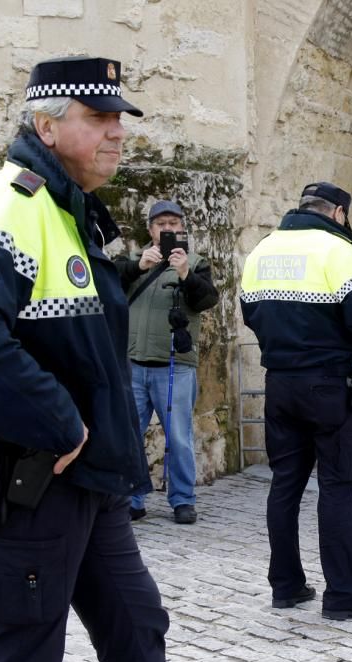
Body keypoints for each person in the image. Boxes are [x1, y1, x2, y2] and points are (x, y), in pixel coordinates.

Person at [0, 56, 282, 662]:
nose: (117, 132)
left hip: (89, 481)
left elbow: (68, 332)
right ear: (47, 126)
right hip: (38, 479)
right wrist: (59, 423)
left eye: (119, 118)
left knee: (135, 625)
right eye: (98, 119)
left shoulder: (69, 210)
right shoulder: (13, 206)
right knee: (22, 652)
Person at [239, 182, 352, 621]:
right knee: (338, 487)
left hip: (280, 383)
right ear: (339, 213)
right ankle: (343, 595)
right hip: (329, 384)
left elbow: (251, 313)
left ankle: (286, 586)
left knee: (285, 483)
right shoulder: (337, 249)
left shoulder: (262, 249)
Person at [120, 199, 218, 525]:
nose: (168, 230)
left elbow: (206, 299)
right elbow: (107, 285)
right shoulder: (134, 260)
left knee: (178, 436)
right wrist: (138, 268)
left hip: (175, 365)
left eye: (174, 224)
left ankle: (182, 499)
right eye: (161, 224)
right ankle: (132, 500)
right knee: (129, 435)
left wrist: (186, 273)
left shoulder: (196, 263)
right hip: (133, 364)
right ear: (150, 230)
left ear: (182, 229)